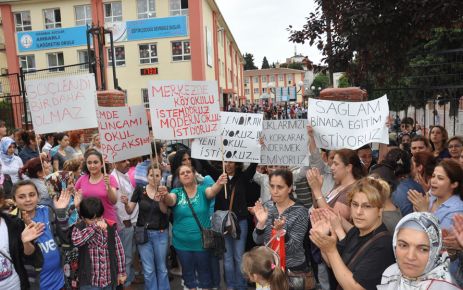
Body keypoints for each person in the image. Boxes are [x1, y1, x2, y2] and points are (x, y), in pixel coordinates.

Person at [310, 177, 395, 290]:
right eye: (355, 204)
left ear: (380, 210)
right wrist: (323, 239)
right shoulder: (356, 232)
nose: (358, 212)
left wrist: (331, 250)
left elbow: (355, 287)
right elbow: (334, 264)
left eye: (367, 206)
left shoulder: (384, 245)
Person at [161, 164, 227, 290]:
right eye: (182, 173)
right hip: (181, 243)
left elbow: (212, 191)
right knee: (188, 273)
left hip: (202, 243)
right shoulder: (176, 192)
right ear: (179, 178)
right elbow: (170, 201)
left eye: (188, 172)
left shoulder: (203, 190)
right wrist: (165, 195)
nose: (186, 174)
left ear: (193, 174)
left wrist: (219, 182)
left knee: (204, 272)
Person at [252, 169, 311, 285]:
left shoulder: (301, 211)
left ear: (289, 188)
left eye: (280, 187)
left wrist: (281, 232)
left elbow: (294, 247)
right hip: (268, 268)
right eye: (272, 186)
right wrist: (261, 223)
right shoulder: (267, 206)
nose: (274, 191)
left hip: (292, 270)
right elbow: (257, 240)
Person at [12, 179, 71, 290]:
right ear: (14, 200)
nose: (28, 199)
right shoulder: (12, 222)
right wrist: (27, 240)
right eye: (21, 197)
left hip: (59, 281)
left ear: (38, 196)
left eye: (32, 195)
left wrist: (61, 212)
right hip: (36, 284)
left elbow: (65, 239)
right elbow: (22, 256)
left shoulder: (47, 211)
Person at [378, 212, 460, 289]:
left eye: (423, 249)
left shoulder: (444, 287)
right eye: (403, 245)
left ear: (435, 252)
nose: (410, 257)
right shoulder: (391, 273)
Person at [122, 165, 170, 290]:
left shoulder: (164, 190)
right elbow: (129, 210)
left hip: (160, 233)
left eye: (157, 175)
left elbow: (165, 211)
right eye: (151, 175)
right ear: (147, 176)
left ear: (161, 177)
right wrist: (126, 203)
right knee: (148, 270)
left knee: (162, 268)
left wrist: (160, 200)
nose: (154, 178)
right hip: (143, 234)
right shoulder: (139, 189)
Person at [71, 197, 126, 290]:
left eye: (99, 217)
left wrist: (121, 272)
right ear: (83, 218)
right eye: (92, 219)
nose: (96, 221)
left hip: (108, 280)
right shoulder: (80, 228)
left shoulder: (110, 227)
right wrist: (94, 227)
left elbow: (119, 251)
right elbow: (76, 241)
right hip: (89, 281)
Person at [308, 148, 365, 220]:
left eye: (336, 164)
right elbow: (318, 207)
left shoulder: (352, 190)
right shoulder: (338, 185)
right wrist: (315, 188)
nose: (332, 167)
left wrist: (317, 191)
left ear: (348, 167)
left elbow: (335, 219)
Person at [408, 159, 463, 230]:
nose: (433, 181)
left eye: (440, 178)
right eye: (433, 176)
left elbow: (439, 238)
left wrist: (423, 211)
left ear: (454, 184)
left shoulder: (457, 209)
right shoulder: (430, 197)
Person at [112, 159, 138, 288]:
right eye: (122, 161)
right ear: (114, 163)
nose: (127, 162)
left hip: (132, 221)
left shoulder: (126, 174)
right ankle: (126, 284)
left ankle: (131, 277)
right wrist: (125, 221)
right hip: (125, 223)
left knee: (131, 253)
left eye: (128, 159)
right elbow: (117, 204)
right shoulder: (114, 178)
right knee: (126, 256)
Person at [75, 149, 118, 223]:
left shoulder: (110, 178)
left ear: (102, 164)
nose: (92, 165)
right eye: (89, 163)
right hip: (88, 223)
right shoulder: (82, 179)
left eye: (95, 162)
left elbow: (114, 201)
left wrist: (108, 187)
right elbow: (75, 197)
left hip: (107, 221)